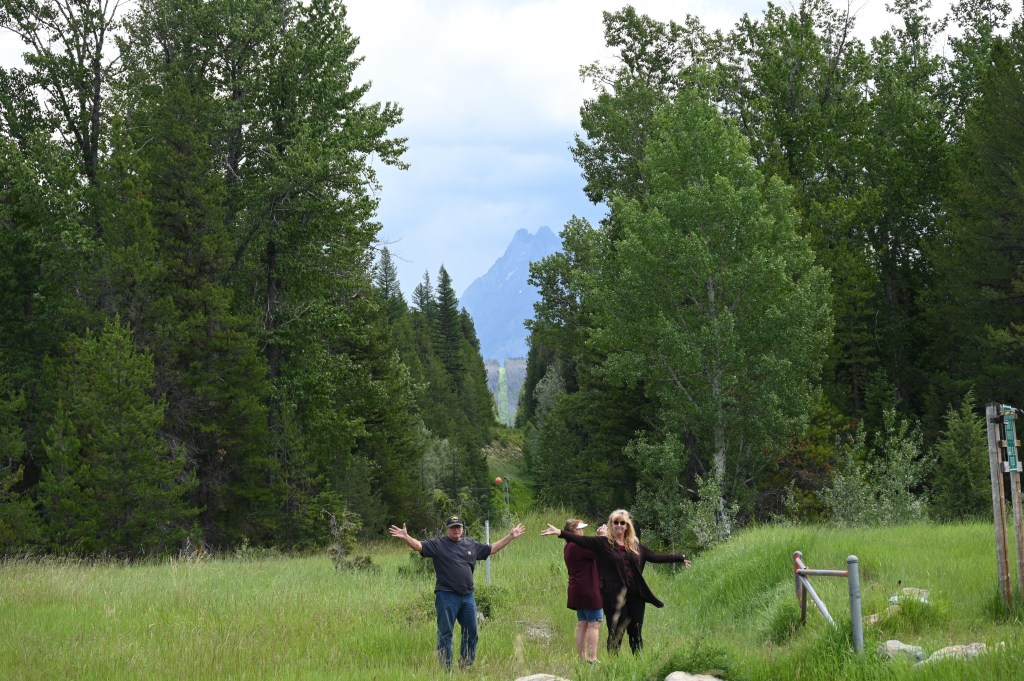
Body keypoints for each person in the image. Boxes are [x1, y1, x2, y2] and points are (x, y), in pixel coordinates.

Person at [542, 509, 691, 654]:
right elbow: (581, 540)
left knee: (636, 630)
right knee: (616, 631)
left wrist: (679, 558)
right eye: (616, 522)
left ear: (627, 526)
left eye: (622, 523)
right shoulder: (604, 543)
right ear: (611, 525)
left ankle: (638, 661)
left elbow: (654, 556)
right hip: (614, 595)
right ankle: (612, 662)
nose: (619, 525)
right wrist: (560, 532)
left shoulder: (634, 545)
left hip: (636, 594)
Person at [390, 514, 526, 669]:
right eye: (452, 527)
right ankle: (446, 668)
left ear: (462, 528)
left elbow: (491, 549)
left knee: (471, 632)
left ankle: (466, 665)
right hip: (446, 595)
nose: (456, 530)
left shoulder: (470, 544)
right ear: (447, 529)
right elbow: (419, 546)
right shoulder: (439, 544)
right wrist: (406, 537)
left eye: (458, 527)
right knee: (445, 633)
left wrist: (511, 536)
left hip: (468, 597)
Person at [561, 518, 603, 664]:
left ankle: (582, 658)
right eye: (579, 529)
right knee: (594, 624)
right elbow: (599, 551)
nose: (582, 531)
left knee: (582, 623)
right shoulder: (578, 546)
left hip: (577, 589)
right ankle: (592, 659)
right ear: (572, 531)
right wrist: (602, 537)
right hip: (589, 589)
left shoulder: (569, 546)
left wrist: (597, 538)